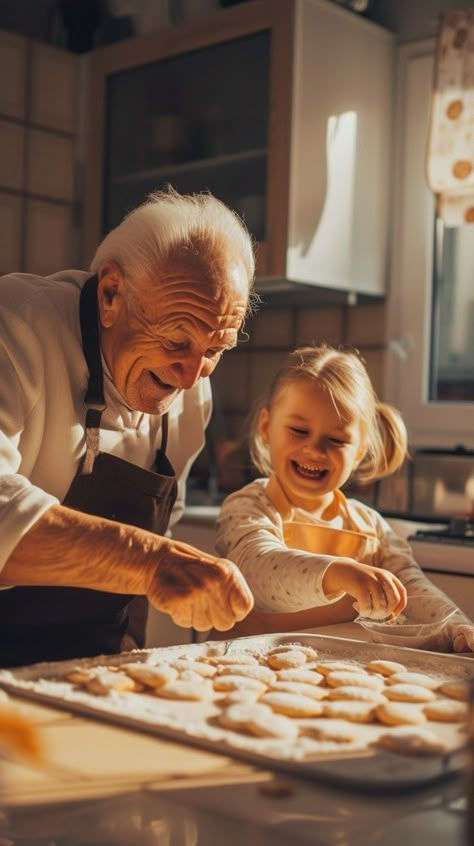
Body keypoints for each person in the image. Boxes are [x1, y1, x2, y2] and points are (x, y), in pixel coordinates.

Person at [0, 188, 256, 667]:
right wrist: (153, 561)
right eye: (178, 338)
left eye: (216, 350)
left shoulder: (191, 392)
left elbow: (164, 524)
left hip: (95, 673)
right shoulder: (15, 327)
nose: (191, 374)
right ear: (111, 293)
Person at [216, 345, 474, 652]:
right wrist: (336, 573)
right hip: (240, 668)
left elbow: (411, 588)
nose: (314, 450)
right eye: (299, 430)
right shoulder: (249, 507)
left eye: (336, 440)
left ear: (360, 450)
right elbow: (256, 570)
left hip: (324, 679)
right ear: (266, 427)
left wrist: (457, 625)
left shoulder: (371, 528)